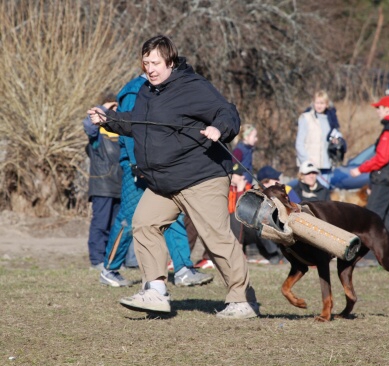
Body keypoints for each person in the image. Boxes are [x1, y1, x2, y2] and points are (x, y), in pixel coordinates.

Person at [87, 34, 258, 319]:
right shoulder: (146, 91)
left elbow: (227, 112)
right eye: (146, 63)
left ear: (170, 61)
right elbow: (138, 123)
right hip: (165, 180)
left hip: (201, 176)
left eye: (155, 63)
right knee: (143, 223)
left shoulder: (193, 87)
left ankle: (241, 300)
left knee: (214, 237)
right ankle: (155, 291)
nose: (150, 69)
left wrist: (219, 129)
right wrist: (109, 119)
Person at [99, 76, 213, 288]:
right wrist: (136, 164)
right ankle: (109, 269)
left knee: (172, 213)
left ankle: (183, 270)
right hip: (137, 165)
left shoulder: (161, 88)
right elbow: (131, 128)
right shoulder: (135, 90)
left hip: (158, 165)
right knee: (128, 218)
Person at [350, 95, 389, 266]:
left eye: (379, 108)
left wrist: (360, 169)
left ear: (387, 109)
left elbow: (382, 158)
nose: (377, 111)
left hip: (384, 178)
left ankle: (369, 257)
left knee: (372, 217)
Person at [83, 95, 122, 270]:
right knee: (100, 224)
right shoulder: (97, 131)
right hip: (102, 185)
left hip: (122, 185)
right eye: (112, 109)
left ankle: (112, 260)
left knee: (117, 226)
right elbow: (88, 126)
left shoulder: (122, 129)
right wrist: (103, 108)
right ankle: (97, 260)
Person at [295, 90, 346, 187]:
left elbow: (337, 136)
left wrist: (336, 141)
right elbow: (299, 143)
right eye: (317, 102)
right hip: (310, 166)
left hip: (326, 164)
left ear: (326, 104)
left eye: (322, 103)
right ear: (313, 103)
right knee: (309, 197)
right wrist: (307, 160)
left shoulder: (331, 119)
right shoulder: (306, 118)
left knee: (323, 197)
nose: (319, 106)